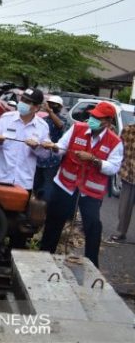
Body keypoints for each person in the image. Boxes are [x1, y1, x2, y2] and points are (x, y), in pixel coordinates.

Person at [40, 101, 123, 267]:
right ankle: (44, 259)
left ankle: (92, 266)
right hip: (65, 185)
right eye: (92, 115)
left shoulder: (115, 142)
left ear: (107, 122)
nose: (92, 119)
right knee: (54, 222)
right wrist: (53, 147)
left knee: (92, 227)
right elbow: (62, 147)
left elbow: (113, 168)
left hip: (90, 193)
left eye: (97, 118)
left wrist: (94, 160)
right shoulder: (77, 128)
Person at [0, 88, 50, 191]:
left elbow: (46, 155)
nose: (22, 103)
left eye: (27, 102)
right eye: (22, 100)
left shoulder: (42, 126)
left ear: (36, 107)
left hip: (23, 183)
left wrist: (36, 147)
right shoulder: (6, 118)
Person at [33, 95, 67, 202]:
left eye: (54, 105)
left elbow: (60, 125)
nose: (51, 106)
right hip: (39, 157)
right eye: (50, 104)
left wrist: (50, 112)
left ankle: (45, 208)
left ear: (60, 107)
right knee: (36, 183)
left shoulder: (62, 119)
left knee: (48, 185)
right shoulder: (43, 120)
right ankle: (36, 206)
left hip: (53, 159)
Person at [108, 123, 135, 243]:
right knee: (124, 206)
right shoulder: (128, 130)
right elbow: (119, 149)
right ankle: (121, 232)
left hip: (128, 172)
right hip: (129, 174)